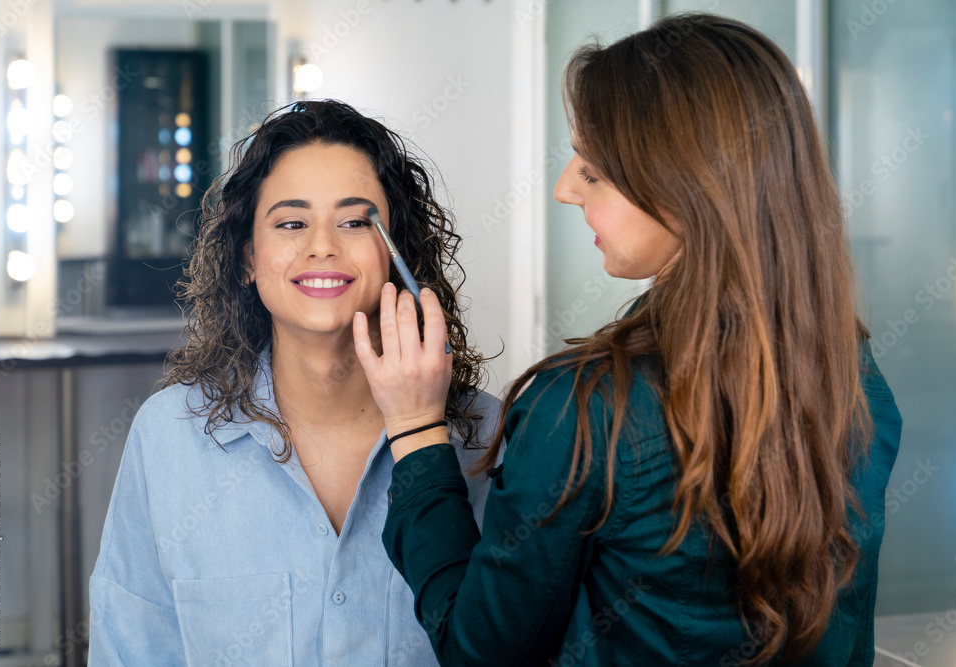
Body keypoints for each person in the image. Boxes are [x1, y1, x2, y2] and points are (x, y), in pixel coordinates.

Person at [355, 14, 903, 666]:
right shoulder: (857, 381)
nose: (564, 189)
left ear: (686, 188)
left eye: (592, 171)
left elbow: (480, 651)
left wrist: (416, 430)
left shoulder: (584, 411)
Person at [87, 100, 501, 665]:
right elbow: (130, 648)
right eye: (290, 222)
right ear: (247, 260)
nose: (322, 245)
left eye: (356, 221)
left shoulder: (488, 436)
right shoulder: (167, 438)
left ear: (396, 250)